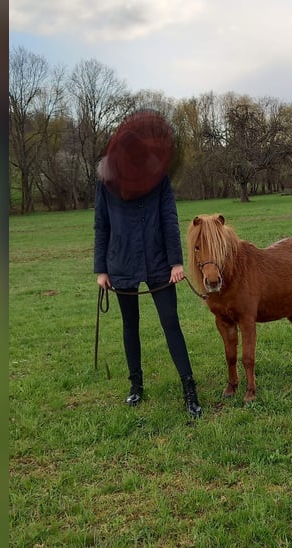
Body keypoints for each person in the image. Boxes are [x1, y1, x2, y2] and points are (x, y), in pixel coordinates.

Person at [93, 112, 202, 417]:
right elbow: (101, 224)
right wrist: (101, 269)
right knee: (130, 325)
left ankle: (189, 387)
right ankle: (136, 385)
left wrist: (176, 262)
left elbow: (169, 219)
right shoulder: (106, 181)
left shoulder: (158, 179)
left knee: (171, 322)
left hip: (158, 261)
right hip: (121, 261)